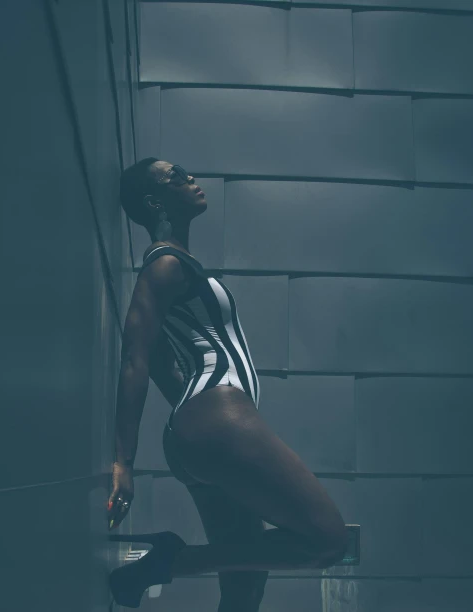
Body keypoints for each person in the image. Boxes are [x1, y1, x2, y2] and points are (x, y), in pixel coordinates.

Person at [107, 158, 348, 610]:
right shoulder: (163, 265)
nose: (191, 178)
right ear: (154, 202)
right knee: (327, 540)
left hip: (204, 430)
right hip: (219, 421)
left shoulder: (179, 264)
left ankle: (165, 561)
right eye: (176, 176)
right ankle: (168, 562)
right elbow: (135, 357)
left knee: (244, 585)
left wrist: (191, 416)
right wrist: (125, 461)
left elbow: (159, 361)